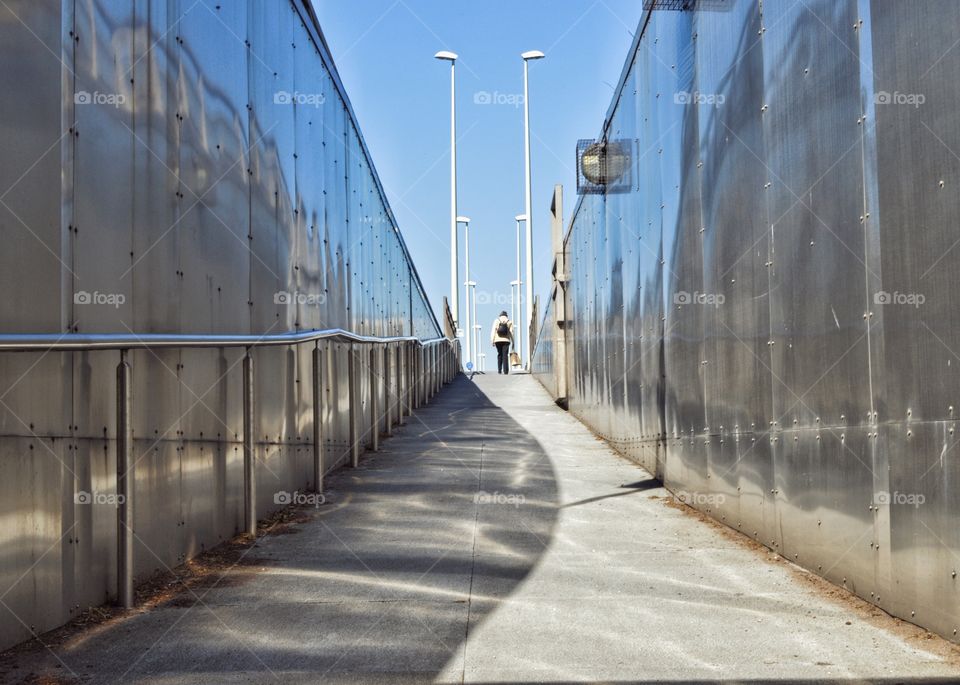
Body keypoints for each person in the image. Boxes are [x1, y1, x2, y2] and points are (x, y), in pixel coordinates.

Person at [490, 310, 514, 375]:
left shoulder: (496, 320)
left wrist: (492, 340)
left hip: (497, 340)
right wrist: (513, 342)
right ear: (506, 315)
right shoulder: (509, 321)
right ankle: (506, 371)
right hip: (506, 340)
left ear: (500, 315)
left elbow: (493, 331)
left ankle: (499, 370)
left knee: (499, 354)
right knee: (505, 355)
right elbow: (511, 333)